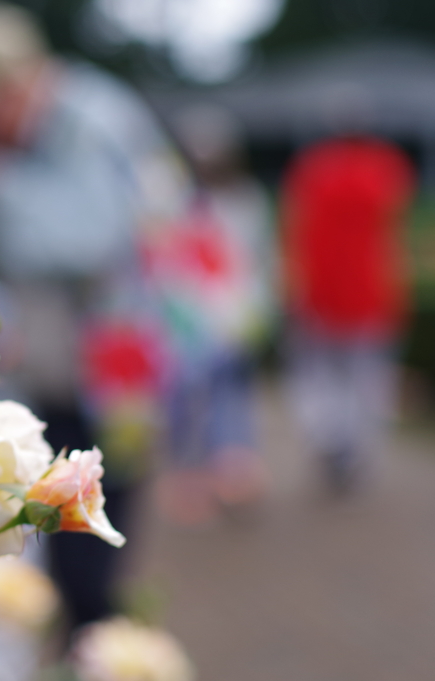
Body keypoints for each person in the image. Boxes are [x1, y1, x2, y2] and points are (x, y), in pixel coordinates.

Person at [0, 2, 193, 629]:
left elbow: (92, 239)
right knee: (73, 534)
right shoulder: (61, 122)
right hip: (83, 366)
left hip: (115, 368)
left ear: (5, 88)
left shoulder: (87, 120)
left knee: (91, 535)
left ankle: (96, 644)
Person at [151, 105, 273, 525]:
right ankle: (192, 478)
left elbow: (255, 262)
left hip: (231, 318)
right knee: (185, 403)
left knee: (228, 397)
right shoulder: (173, 201)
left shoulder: (245, 201)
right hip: (184, 321)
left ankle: (231, 471)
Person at [280, 133, 415, 491]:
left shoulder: (313, 169)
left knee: (321, 379)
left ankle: (332, 442)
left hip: (323, 295)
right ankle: (352, 451)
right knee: (365, 382)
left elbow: (296, 230)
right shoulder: (384, 169)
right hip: (369, 296)